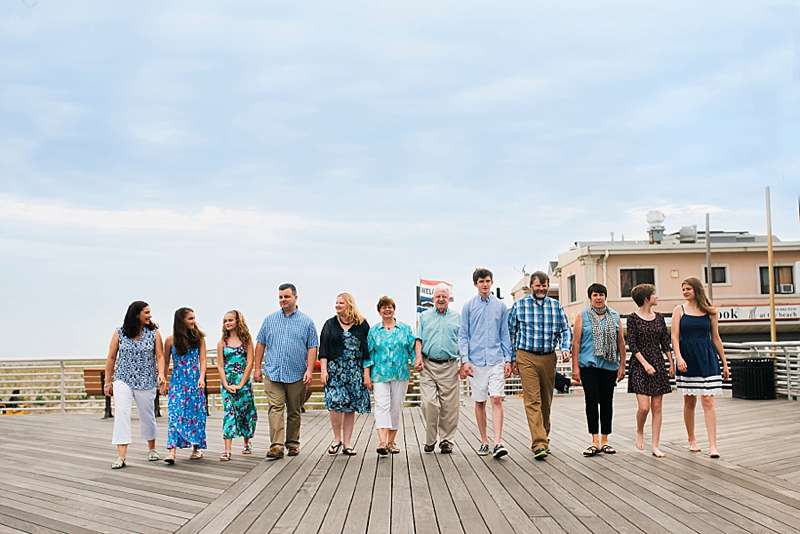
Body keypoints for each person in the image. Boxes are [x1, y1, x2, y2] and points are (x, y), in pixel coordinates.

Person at [508, 271, 571, 461]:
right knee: (532, 400)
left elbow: (564, 330)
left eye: (544, 286)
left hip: (548, 357)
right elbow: (511, 334)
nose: (541, 289)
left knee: (546, 401)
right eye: (538, 285)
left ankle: (544, 436)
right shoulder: (519, 306)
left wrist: (565, 348)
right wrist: (512, 359)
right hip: (526, 356)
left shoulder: (556, 306)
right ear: (531, 286)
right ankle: (539, 443)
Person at [254, 283, 319, 459]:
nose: (283, 300)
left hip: (296, 373)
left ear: (295, 298)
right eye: (281, 297)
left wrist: (309, 370)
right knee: (275, 408)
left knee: (294, 410)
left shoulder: (306, 322)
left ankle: (292, 443)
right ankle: (276, 446)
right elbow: (260, 343)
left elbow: (312, 347)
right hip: (273, 373)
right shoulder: (269, 320)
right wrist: (257, 367)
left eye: (286, 297)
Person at [672, 277, 730, 459]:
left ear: (696, 290)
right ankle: (692, 439)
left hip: (707, 357)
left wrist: (725, 362)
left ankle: (713, 445)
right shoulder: (678, 310)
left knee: (708, 401)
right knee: (689, 401)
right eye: (683, 289)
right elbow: (674, 337)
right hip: (687, 358)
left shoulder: (710, 311)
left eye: (688, 288)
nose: (685, 292)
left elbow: (716, 338)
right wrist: (678, 357)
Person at [104, 301, 166, 469]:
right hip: (123, 379)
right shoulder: (119, 333)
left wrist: (161, 374)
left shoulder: (154, 333)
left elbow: (160, 356)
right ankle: (121, 456)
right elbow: (110, 358)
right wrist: (108, 381)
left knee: (147, 415)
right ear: (136, 314)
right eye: (146, 312)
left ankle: (152, 449)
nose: (150, 315)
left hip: (147, 379)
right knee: (122, 413)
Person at [459, 268, 512, 459]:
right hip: (476, 362)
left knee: (496, 398)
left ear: (492, 282)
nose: (485, 284)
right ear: (475, 284)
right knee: (480, 401)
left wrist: (508, 359)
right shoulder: (468, 307)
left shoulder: (500, 307)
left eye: (488, 281)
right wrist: (465, 361)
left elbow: (505, 334)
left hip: (496, 359)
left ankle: (498, 441)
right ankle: (484, 440)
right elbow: (463, 335)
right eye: (481, 281)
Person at [570, 284, 626, 457]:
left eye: (601, 294)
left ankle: (605, 440)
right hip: (589, 366)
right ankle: (594, 441)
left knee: (607, 403)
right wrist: (575, 368)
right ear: (590, 297)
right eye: (595, 295)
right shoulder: (582, 316)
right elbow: (576, 343)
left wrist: (622, 365)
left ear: (605, 296)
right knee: (592, 402)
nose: (598, 298)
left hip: (609, 367)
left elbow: (621, 343)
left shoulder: (615, 316)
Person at [319, 293, 371, 456]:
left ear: (349, 304)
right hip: (335, 371)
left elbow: (367, 351)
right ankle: (337, 439)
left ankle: (347, 443)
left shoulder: (362, 324)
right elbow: (324, 350)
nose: (337, 305)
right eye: (336, 303)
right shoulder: (329, 324)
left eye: (341, 303)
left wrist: (366, 374)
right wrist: (323, 370)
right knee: (335, 404)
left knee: (350, 408)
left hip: (354, 370)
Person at [627, 284, 674, 458]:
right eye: (654, 294)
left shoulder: (660, 318)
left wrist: (671, 362)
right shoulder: (632, 319)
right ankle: (639, 430)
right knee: (644, 407)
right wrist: (645, 364)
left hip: (658, 363)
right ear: (646, 298)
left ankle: (655, 445)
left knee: (657, 406)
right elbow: (632, 344)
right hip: (640, 364)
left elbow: (665, 342)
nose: (657, 297)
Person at [365, 296, 415, 456]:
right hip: (379, 374)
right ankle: (382, 441)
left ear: (394, 309)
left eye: (390, 307)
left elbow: (412, 350)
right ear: (379, 311)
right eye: (383, 307)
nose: (387, 309)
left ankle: (391, 442)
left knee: (395, 407)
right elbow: (368, 355)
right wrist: (366, 375)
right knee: (381, 406)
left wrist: (417, 362)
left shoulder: (405, 329)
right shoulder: (373, 331)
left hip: (400, 374)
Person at [414, 284, 461, 454]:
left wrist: (464, 363)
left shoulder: (457, 317)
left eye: (444, 296)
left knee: (449, 406)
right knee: (428, 403)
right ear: (433, 299)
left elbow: (463, 342)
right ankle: (430, 439)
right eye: (438, 296)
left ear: (449, 299)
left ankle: (447, 440)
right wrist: (418, 358)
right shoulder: (424, 316)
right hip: (428, 365)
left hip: (450, 365)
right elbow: (418, 340)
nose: (441, 299)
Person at [164, 307, 208, 464]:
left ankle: (196, 448)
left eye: (194, 318)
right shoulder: (170, 340)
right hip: (177, 381)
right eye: (190, 318)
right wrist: (163, 379)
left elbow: (203, 360)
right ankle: (171, 451)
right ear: (181, 321)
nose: (193, 321)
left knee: (195, 414)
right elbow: (166, 362)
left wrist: (202, 378)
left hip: (195, 381)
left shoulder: (199, 338)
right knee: (175, 414)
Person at [216, 310, 258, 461]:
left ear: (237, 321)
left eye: (230, 320)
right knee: (229, 413)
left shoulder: (247, 341)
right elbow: (220, 365)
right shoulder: (222, 343)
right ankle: (227, 450)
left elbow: (250, 363)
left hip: (244, 383)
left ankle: (247, 443)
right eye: (225, 321)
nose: (227, 323)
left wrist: (241, 384)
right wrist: (226, 384)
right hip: (228, 383)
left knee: (245, 412)